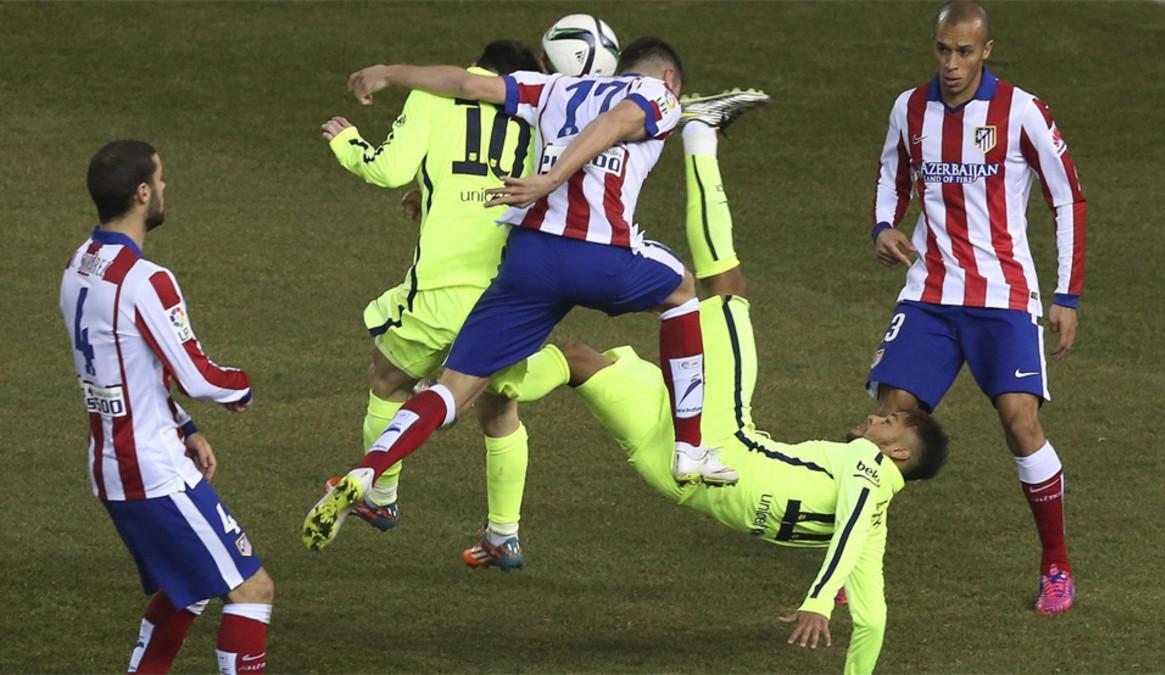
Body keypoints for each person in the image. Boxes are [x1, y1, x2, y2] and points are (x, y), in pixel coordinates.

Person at [486, 120, 949, 675]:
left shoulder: (869, 471)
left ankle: (700, 136)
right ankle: (475, 380)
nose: (878, 417)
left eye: (891, 422)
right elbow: (873, 620)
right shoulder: (877, 523)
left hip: (717, 439)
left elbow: (846, 529)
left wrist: (818, 603)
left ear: (898, 453)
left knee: (724, 290)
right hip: (673, 474)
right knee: (580, 361)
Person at [304, 37, 742, 552]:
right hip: (599, 254)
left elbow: (466, 84)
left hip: (530, 262)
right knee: (684, 292)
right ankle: (690, 448)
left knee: (450, 391)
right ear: (669, 78)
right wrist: (550, 178)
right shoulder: (658, 95)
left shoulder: (554, 88)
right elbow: (613, 124)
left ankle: (366, 474)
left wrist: (389, 70)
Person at [866, 0, 1086, 615]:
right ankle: (854, 567)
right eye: (943, 50)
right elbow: (893, 172)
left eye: (965, 52)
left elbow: (1066, 198)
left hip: (1005, 296)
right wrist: (884, 224)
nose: (952, 64)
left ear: (985, 51)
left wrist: (1067, 295)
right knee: (888, 420)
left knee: (1021, 421)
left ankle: (1056, 566)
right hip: (930, 294)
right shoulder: (910, 108)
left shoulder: (1022, 111)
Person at [319, 39, 548, 570]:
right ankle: (504, 535)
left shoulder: (432, 95)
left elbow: (389, 168)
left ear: (477, 67)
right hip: (510, 295)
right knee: (499, 408)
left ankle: (379, 498)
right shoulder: (538, 112)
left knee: (388, 379)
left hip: (441, 291)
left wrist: (347, 142)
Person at [59, 141, 271, 673]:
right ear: (142, 193)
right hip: (151, 470)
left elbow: (121, 373)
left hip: (114, 464)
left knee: (188, 588)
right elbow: (198, 375)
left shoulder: (79, 265)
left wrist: (186, 426)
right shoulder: (145, 280)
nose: (167, 188)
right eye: (162, 178)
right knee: (252, 588)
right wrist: (242, 387)